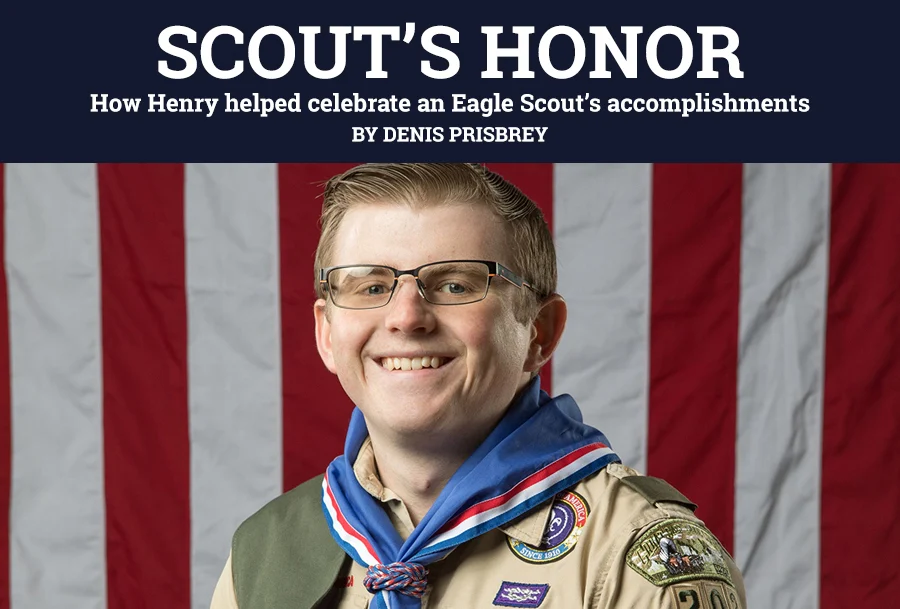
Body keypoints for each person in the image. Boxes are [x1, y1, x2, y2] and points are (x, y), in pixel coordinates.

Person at [209, 163, 747, 609]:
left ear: (540, 332)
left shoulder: (638, 556)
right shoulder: (264, 554)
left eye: (454, 284)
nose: (405, 317)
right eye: (371, 285)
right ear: (327, 334)